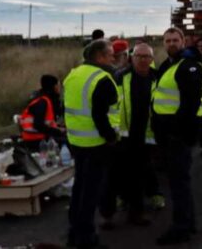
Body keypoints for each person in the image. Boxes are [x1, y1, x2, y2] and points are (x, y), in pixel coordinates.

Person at [64, 39, 120, 249]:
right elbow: (100, 115)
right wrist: (111, 137)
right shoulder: (103, 78)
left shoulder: (74, 74)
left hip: (77, 141)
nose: (113, 58)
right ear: (99, 56)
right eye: (110, 54)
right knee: (90, 193)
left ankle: (74, 232)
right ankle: (86, 239)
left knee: (79, 189)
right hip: (97, 143)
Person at [152, 27, 202, 245]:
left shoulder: (188, 66)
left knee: (178, 184)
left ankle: (181, 228)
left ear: (183, 41)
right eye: (167, 40)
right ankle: (188, 222)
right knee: (180, 182)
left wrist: (176, 133)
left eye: (175, 40)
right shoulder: (169, 65)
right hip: (169, 136)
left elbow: (189, 105)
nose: (171, 43)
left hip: (178, 137)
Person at [101, 43, 159, 228]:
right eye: (139, 56)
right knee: (112, 178)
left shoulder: (157, 79)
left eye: (146, 56)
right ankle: (107, 216)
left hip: (145, 137)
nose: (142, 60)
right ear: (131, 57)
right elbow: (110, 107)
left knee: (138, 178)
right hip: (121, 137)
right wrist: (111, 132)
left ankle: (136, 214)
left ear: (151, 59)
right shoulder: (119, 77)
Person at [18, 75, 65, 151]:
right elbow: (38, 125)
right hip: (36, 139)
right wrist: (58, 131)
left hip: (35, 136)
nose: (59, 88)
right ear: (53, 87)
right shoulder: (42, 102)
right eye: (57, 85)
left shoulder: (43, 99)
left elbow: (47, 123)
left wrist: (58, 128)